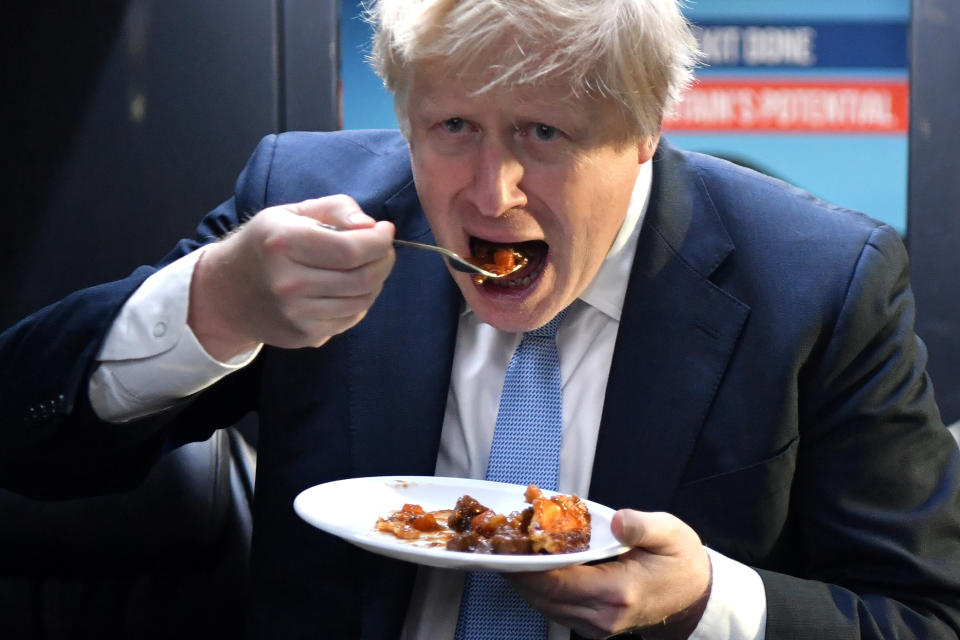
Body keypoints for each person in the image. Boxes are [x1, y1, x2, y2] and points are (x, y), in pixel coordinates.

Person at [2, 0, 959, 637]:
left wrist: (712, 602)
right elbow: (23, 434)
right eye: (453, 127)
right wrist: (215, 302)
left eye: (544, 134)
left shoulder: (822, 280)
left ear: (645, 134)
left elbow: (927, 616)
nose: (490, 195)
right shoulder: (304, 200)